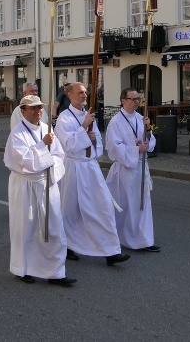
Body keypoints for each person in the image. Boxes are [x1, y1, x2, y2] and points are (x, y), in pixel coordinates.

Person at [4, 95, 76, 286]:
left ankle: (56, 271)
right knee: (26, 227)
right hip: (26, 185)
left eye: (40, 107)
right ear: (23, 111)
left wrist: (52, 167)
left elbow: (60, 154)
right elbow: (24, 160)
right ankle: (22, 267)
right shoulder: (17, 133)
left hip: (46, 183)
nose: (38, 111)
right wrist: (42, 145)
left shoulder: (47, 129)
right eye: (33, 108)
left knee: (54, 227)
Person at [55, 83, 130, 266]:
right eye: (80, 92)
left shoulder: (90, 116)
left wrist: (93, 138)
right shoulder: (64, 118)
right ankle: (68, 245)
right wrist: (83, 127)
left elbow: (97, 143)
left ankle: (111, 251)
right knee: (70, 210)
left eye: (85, 92)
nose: (84, 95)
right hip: (73, 168)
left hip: (90, 167)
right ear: (70, 95)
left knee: (103, 207)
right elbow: (69, 145)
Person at [105, 88, 160, 253]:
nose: (137, 102)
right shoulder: (115, 122)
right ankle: (125, 237)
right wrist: (135, 149)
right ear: (124, 100)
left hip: (140, 167)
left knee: (143, 203)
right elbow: (113, 147)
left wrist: (148, 130)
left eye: (139, 99)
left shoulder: (140, 118)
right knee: (128, 204)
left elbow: (150, 142)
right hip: (125, 169)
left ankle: (144, 239)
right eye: (134, 99)